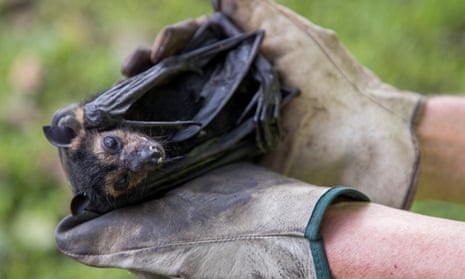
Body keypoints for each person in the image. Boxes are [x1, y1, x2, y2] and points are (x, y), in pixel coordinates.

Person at [54, 0, 465, 278]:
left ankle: (321, 232)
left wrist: (338, 247)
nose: (134, 160)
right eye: (123, 181)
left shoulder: (113, 116)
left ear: (94, 128)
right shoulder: (157, 176)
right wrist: (406, 135)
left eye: (113, 146)